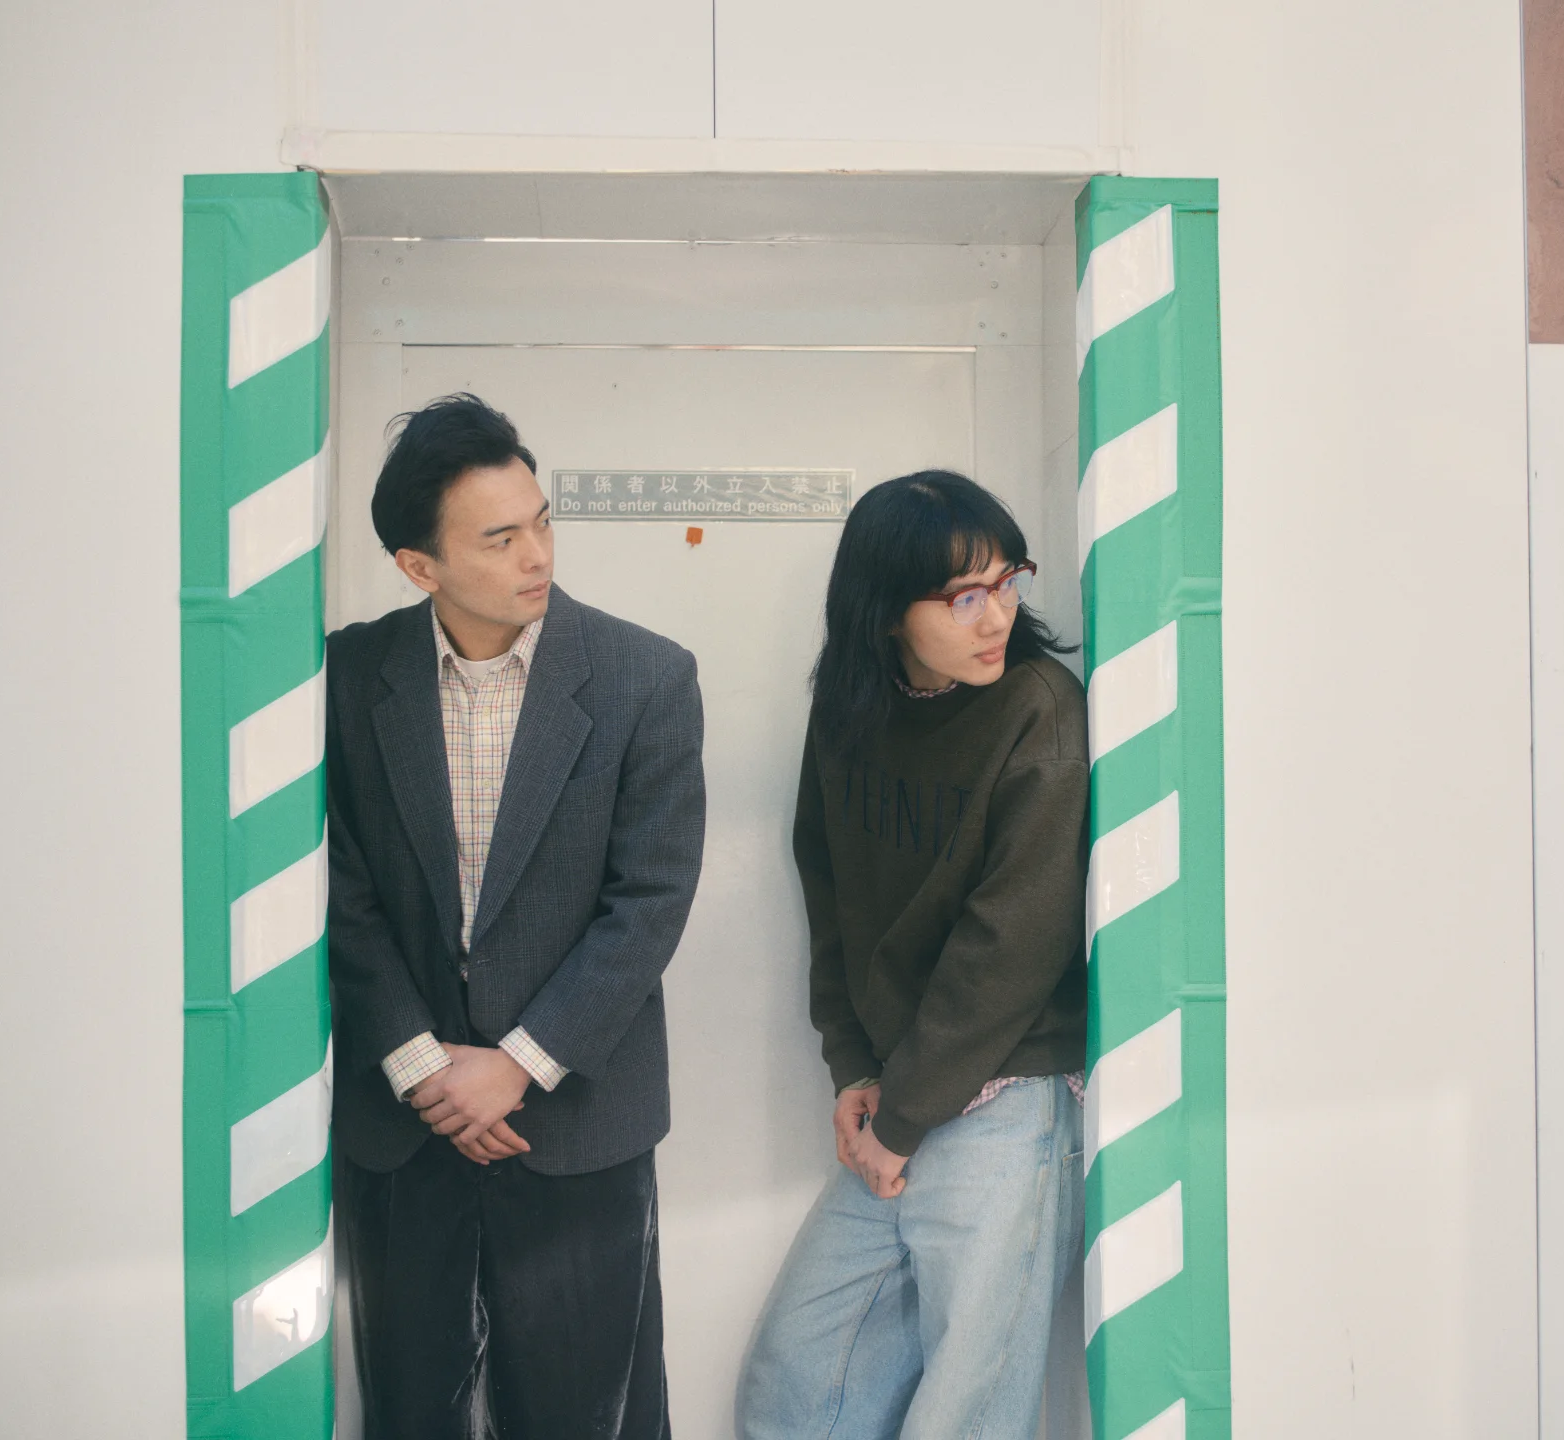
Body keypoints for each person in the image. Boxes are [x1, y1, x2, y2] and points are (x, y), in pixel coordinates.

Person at [326, 393, 705, 1439]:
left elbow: (651, 900)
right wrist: (422, 1065)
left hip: (577, 1113)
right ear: (420, 566)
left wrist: (521, 1062)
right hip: (405, 1121)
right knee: (412, 1404)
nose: (537, 554)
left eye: (541, 521)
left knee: (588, 1411)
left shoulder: (645, 676)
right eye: (499, 538)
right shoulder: (347, 677)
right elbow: (339, 892)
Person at [736, 470, 1089, 1438]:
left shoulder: (1040, 709)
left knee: (967, 1413)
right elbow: (829, 894)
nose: (997, 617)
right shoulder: (849, 711)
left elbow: (1014, 943)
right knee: (794, 1391)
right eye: (964, 597)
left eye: (1007, 582)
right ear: (888, 611)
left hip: (1010, 1092)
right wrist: (855, 1069)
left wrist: (898, 1119)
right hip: (897, 1094)